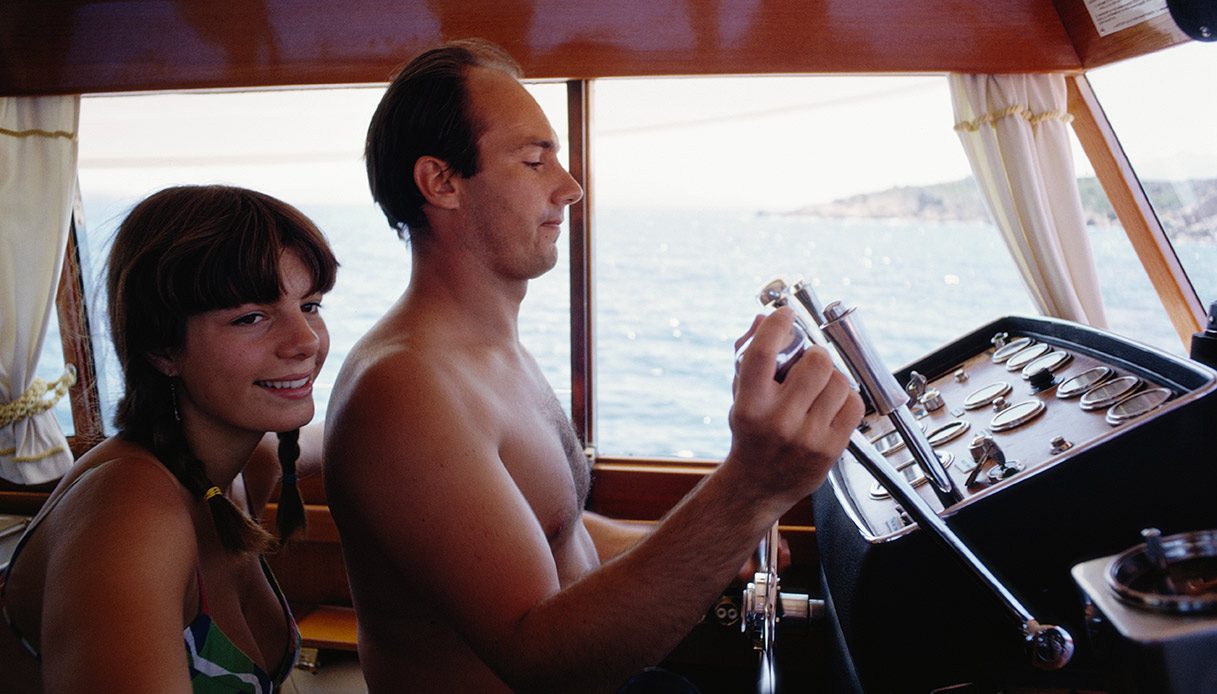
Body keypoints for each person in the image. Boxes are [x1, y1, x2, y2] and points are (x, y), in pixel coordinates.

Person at [324, 39, 863, 693]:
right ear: (442, 182)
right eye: (533, 159)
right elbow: (538, 659)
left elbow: (557, 533)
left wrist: (709, 540)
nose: (570, 187)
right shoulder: (405, 389)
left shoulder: (487, 354)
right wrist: (747, 493)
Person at [0, 185, 338, 693]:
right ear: (162, 349)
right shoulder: (128, 517)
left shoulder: (245, 464)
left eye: (310, 305)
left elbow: (334, 437)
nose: (306, 341)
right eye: (251, 317)